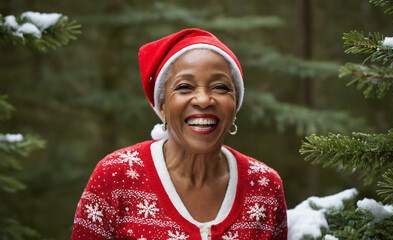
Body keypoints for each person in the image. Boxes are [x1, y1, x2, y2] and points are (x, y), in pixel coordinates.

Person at [71, 28, 287, 240]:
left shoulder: (264, 185)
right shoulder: (116, 176)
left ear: (235, 104)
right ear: (162, 106)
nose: (203, 100)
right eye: (184, 87)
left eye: (220, 87)